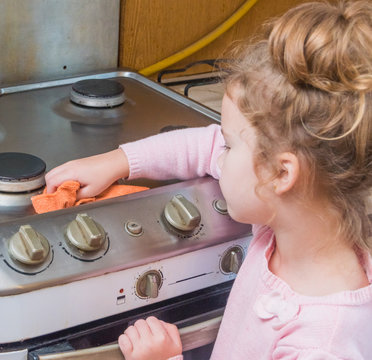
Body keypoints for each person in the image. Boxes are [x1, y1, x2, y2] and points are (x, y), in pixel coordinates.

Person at [45, 1, 372, 358]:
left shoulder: (322, 346)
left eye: (230, 147)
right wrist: (118, 161)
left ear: (281, 174)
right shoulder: (290, 222)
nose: (218, 153)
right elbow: (203, 144)